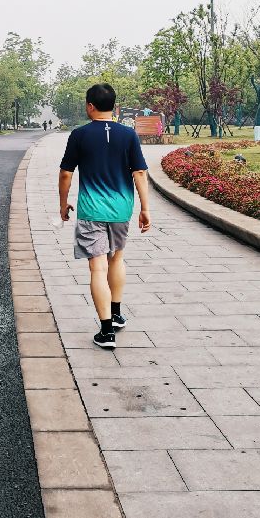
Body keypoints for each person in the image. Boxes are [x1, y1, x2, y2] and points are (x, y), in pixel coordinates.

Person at [58, 84, 151, 348]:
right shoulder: (129, 135)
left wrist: (63, 204)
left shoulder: (79, 135)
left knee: (97, 266)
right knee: (117, 258)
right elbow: (140, 173)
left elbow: (66, 173)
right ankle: (117, 313)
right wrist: (145, 208)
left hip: (91, 211)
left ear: (90, 105)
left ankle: (106, 331)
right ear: (114, 106)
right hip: (122, 209)